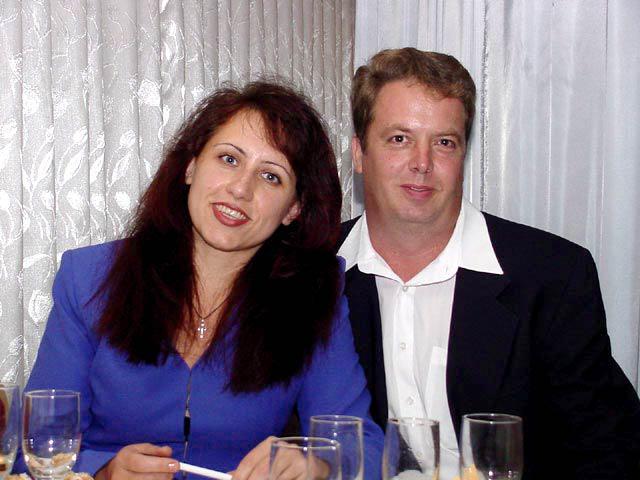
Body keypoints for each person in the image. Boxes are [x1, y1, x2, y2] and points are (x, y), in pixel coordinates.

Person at [19, 81, 383, 480]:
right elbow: (35, 444)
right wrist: (102, 472)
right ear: (191, 166)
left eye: (271, 176)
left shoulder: (313, 294)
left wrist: (317, 463)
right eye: (228, 159)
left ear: (293, 209)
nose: (240, 189)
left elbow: (363, 445)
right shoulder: (89, 278)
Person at [339, 47, 640, 480]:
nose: (422, 164)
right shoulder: (305, 273)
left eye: (444, 142)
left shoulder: (552, 276)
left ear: (463, 155)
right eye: (399, 139)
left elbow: (607, 450)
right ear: (359, 153)